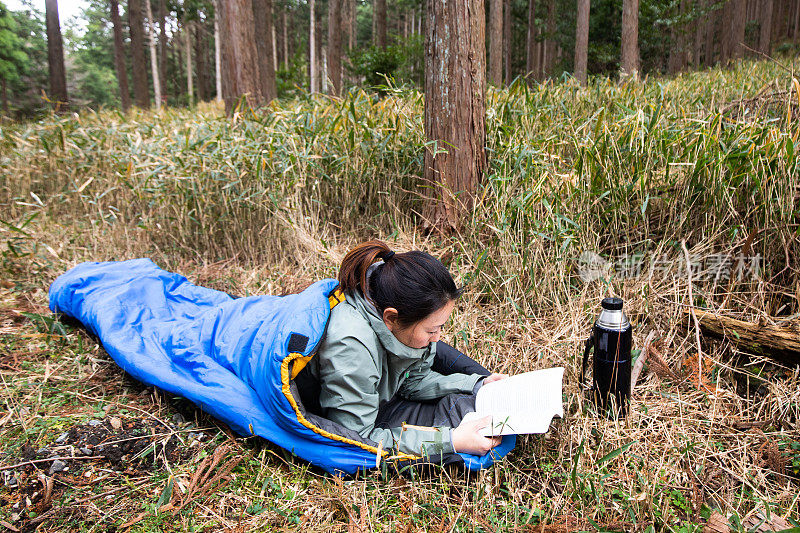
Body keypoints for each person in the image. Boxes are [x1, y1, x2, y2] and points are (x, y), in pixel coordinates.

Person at [298, 240, 508, 463]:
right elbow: (357, 441)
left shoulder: (399, 303)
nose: (437, 338)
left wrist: (476, 384)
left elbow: (412, 382)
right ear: (391, 318)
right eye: (431, 330)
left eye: (441, 328)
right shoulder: (350, 346)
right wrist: (451, 440)